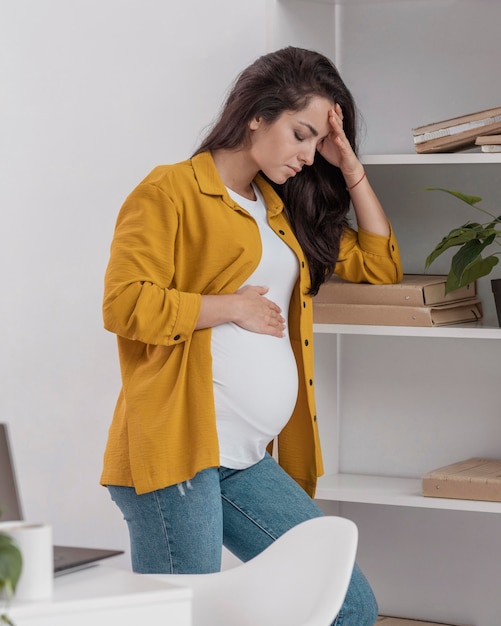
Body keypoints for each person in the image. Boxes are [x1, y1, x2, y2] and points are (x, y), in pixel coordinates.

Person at [101, 46, 402, 626]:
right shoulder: (169, 192)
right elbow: (124, 303)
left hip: (243, 460)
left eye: (318, 140)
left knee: (348, 604)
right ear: (257, 114)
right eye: (301, 134)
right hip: (177, 457)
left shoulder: (279, 208)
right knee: (182, 618)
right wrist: (229, 306)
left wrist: (348, 165)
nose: (307, 154)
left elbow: (379, 263)